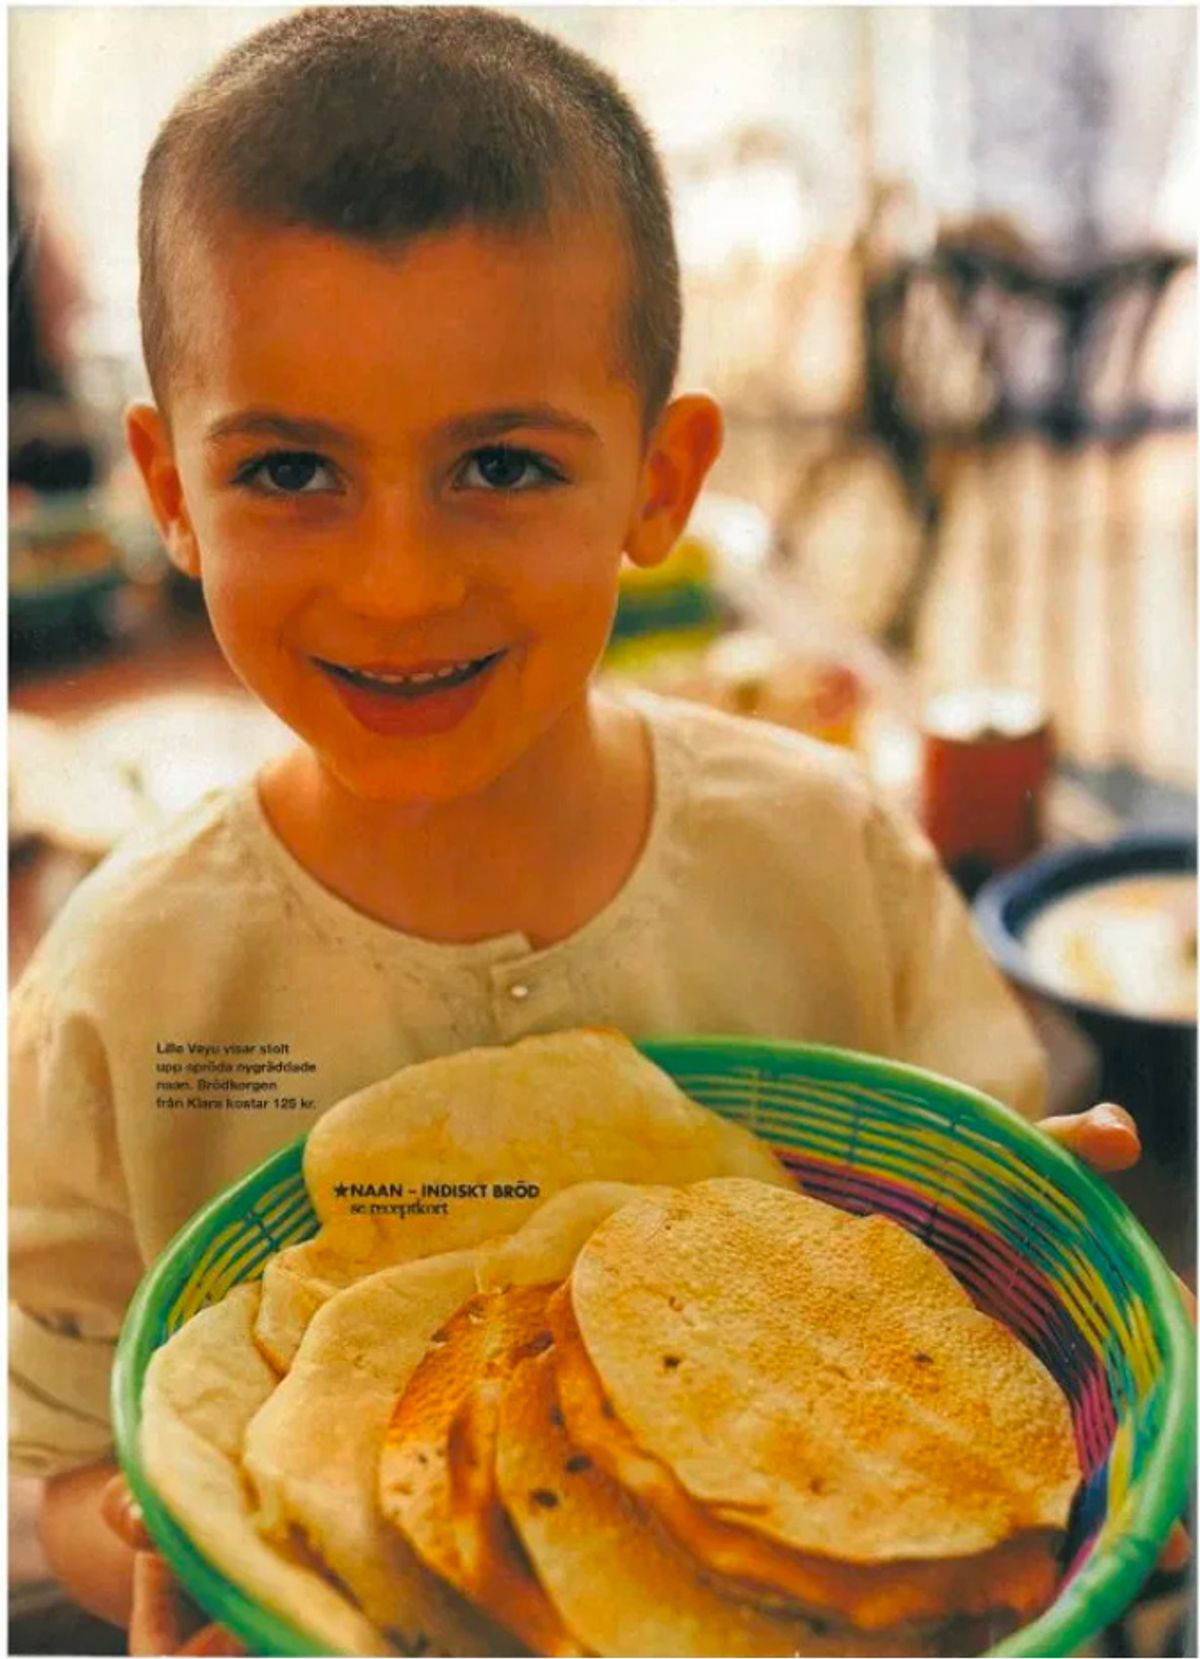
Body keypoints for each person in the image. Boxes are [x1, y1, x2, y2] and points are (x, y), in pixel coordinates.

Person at [8, 9, 1180, 1654]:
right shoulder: (118, 997)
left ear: (660, 479)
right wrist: (164, 1532)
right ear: (170, 495)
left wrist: (1052, 1276)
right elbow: (51, 1457)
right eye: (289, 469)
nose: (400, 582)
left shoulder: (825, 861)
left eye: (500, 462)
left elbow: (969, 1249)